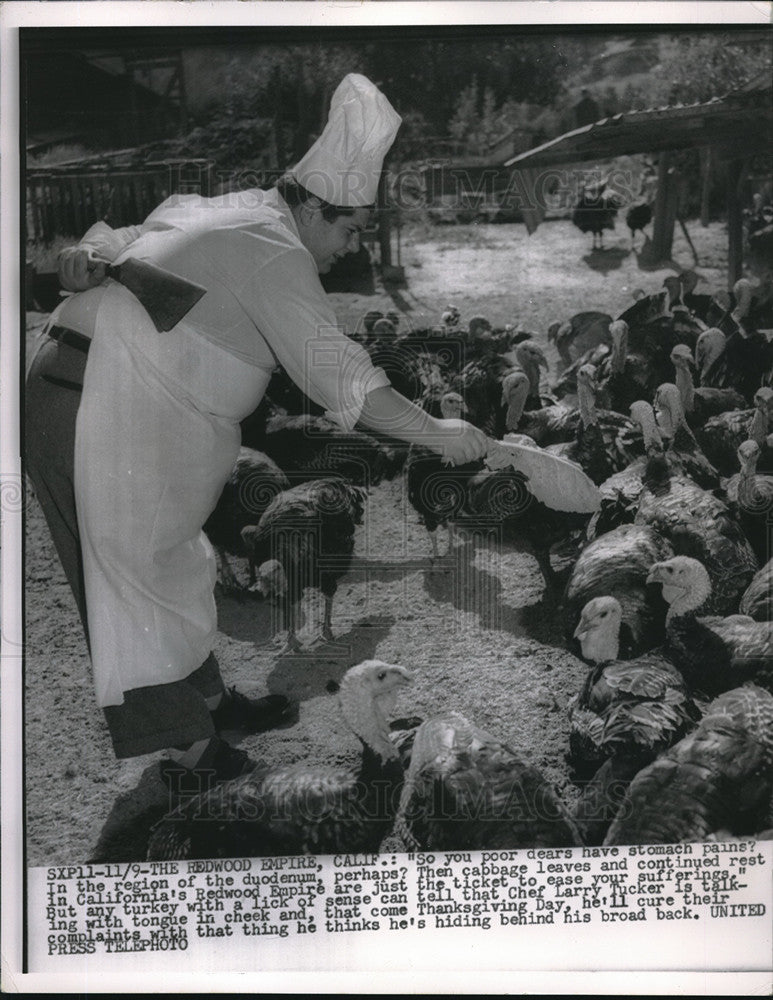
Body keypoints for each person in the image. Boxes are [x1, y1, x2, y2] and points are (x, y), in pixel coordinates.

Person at [25, 73, 489, 791]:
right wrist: (436, 434)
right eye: (345, 229)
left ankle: (211, 705)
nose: (347, 248)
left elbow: (116, 235)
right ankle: (188, 750)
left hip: (121, 402)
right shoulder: (273, 246)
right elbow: (342, 375)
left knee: (172, 562)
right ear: (306, 204)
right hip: (90, 403)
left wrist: (88, 248)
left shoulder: (235, 211)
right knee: (130, 574)